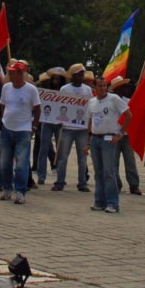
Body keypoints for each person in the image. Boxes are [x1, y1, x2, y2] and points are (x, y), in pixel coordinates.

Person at [0, 60, 40, 204]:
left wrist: (34, 127)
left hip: (23, 130)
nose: (9, 74)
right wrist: (4, 119)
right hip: (7, 129)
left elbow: (37, 109)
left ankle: (20, 191)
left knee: (22, 163)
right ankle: (7, 188)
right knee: (5, 162)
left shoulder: (31, 90)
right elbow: (2, 105)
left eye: (12, 72)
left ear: (20, 74)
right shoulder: (6, 87)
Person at [88, 76, 131, 214]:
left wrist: (120, 133)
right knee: (98, 172)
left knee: (108, 172)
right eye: (99, 86)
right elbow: (90, 121)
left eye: (104, 85)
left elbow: (128, 115)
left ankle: (113, 203)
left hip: (109, 138)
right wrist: (87, 141)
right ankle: (100, 201)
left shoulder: (114, 99)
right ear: (94, 88)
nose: (102, 88)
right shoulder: (92, 102)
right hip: (95, 138)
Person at [52, 63, 92, 192]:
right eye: (79, 75)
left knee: (82, 158)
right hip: (67, 127)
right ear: (73, 76)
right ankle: (60, 182)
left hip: (82, 129)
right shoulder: (65, 89)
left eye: (82, 74)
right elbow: (59, 106)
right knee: (63, 157)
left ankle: (82, 184)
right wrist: (59, 119)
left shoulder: (87, 90)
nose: (81, 77)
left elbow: (89, 108)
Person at [109, 77, 142, 196]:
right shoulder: (110, 101)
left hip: (126, 135)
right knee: (113, 162)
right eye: (123, 87)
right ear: (118, 88)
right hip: (113, 135)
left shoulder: (130, 101)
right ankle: (116, 184)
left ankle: (134, 185)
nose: (126, 89)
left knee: (130, 162)